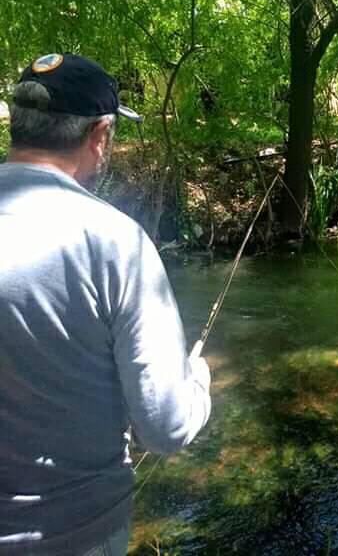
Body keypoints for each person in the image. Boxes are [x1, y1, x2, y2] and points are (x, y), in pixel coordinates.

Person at [0, 54, 211, 555]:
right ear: (99, 135)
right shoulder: (117, 244)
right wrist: (198, 383)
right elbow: (166, 427)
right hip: (73, 535)